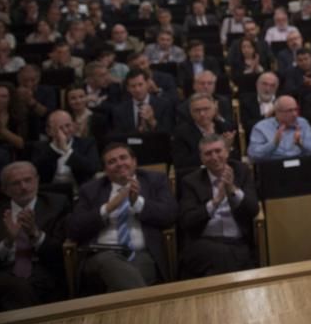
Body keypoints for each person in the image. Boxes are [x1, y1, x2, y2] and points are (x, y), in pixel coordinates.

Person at [68, 143, 178, 292]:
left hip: (141, 254)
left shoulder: (155, 181)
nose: (119, 163)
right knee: (110, 262)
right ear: (105, 170)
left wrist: (137, 203)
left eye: (123, 158)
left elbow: (170, 215)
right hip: (101, 256)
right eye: (112, 162)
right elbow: (74, 228)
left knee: (126, 278)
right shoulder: (90, 190)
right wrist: (108, 208)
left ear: (134, 161)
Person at [0, 162, 69, 312]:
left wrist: (35, 234)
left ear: (37, 180)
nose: (23, 187)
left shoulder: (57, 205)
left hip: (42, 267)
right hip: (3, 272)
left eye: (28, 180)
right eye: (16, 183)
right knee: (16, 286)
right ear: (5, 189)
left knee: (22, 288)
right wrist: (7, 242)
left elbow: (61, 254)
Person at [178, 133, 259, 277]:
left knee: (219, 265)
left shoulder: (241, 171)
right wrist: (215, 202)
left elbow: (253, 209)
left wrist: (232, 189)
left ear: (227, 152)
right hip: (204, 243)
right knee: (224, 256)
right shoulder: (191, 181)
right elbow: (187, 221)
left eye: (218, 151)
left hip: (237, 242)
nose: (214, 157)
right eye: (208, 153)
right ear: (202, 158)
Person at [31, 110, 99, 193]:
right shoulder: (39, 147)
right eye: (60, 128)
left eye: (68, 126)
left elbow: (92, 168)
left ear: (74, 126)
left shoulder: (87, 143)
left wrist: (66, 150)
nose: (66, 131)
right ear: (49, 131)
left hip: (80, 192)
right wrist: (55, 149)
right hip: (50, 194)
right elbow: (36, 172)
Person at [171, 93, 236, 177]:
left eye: (206, 109)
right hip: (198, 176)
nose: (202, 114)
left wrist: (228, 148)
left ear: (214, 109)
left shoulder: (225, 127)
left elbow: (236, 158)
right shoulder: (181, 133)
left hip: (226, 173)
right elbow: (181, 163)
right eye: (197, 110)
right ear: (190, 112)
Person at [247, 95, 311, 162]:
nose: (294, 114)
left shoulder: (302, 123)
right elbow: (253, 155)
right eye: (290, 111)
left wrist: (301, 144)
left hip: (300, 166)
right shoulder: (261, 127)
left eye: (296, 110)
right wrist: (274, 144)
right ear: (278, 112)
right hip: (273, 168)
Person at [110, 70, 175, 135]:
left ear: (147, 84)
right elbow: (120, 137)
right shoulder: (119, 110)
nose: (137, 90)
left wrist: (152, 121)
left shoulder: (164, 105)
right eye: (133, 86)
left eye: (140, 84)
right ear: (128, 88)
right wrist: (138, 132)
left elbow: (168, 134)